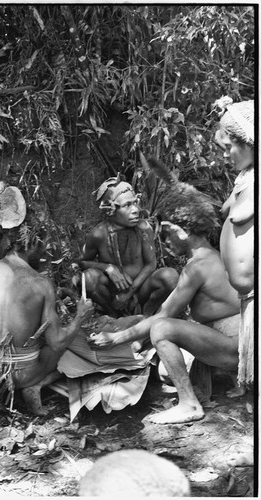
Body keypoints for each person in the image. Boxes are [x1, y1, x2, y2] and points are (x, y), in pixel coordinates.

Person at [87, 218, 241, 424]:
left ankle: (189, 405)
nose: (164, 242)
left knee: (161, 329)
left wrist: (116, 338)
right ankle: (233, 378)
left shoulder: (197, 266)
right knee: (164, 371)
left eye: (167, 234)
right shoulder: (214, 256)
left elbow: (162, 318)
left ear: (184, 231)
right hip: (235, 341)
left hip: (234, 347)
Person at [0, 237, 94, 416]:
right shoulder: (41, 284)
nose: (44, 255)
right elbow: (57, 343)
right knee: (70, 342)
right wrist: (80, 317)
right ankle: (36, 385)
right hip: (22, 375)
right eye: (43, 248)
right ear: (30, 243)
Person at [78, 174, 179, 317]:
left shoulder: (143, 228)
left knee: (170, 276)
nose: (136, 209)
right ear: (110, 210)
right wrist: (108, 268)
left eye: (135, 202)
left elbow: (151, 264)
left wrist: (130, 292)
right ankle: (114, 316)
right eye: (127, 205)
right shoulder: (99, 234)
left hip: (141, 289)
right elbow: (81, 263)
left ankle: (148, 315)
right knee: (89, 278)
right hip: (113, 295)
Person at [214, 97, 254, 391]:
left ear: (250, 142)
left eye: (229, 148)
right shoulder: (244, 176)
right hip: (247, 296)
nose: (225, 155)